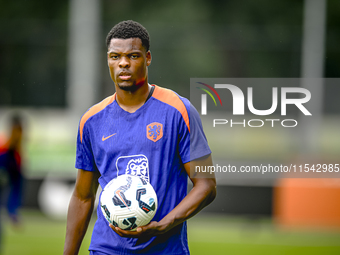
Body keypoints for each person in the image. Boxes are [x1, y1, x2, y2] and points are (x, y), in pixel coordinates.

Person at [63, 20, 216, 255]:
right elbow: (83, 197)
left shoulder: (179, 110)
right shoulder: (91, 120)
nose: (123, 63)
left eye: (133, 56)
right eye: (115, 56)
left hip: (166, 249)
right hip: (106, 249)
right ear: (108, 60)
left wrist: (165, 224)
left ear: (148, 58)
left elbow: (206, 184)